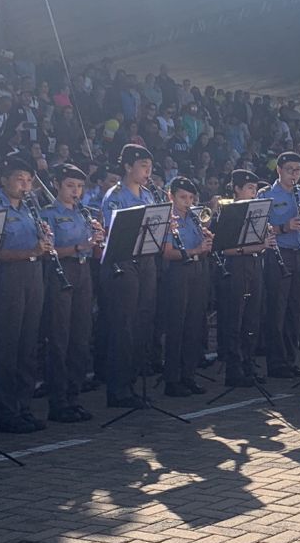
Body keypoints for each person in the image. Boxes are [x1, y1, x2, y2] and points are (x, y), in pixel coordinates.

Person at [0, 156, 53, 433]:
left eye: (28, 181)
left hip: (33, 275)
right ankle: (6, 410)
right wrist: (32, 252)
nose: (25, 186)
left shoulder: (30, 206)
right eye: (19, 180)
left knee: (28, 344)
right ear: (4, 181)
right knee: (7, 345)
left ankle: (23, 406)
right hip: (8, 276)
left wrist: (44, 245)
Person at [100, 144, 160, 409]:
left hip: (146, 261)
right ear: (127, 166)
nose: (148, 172)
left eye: (149, 167)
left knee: (142, 322)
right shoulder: (115, 196)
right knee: (123, 326)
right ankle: (118, 388)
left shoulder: (149, 195)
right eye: (143, 166)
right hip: (123, 263)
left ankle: (134, 381)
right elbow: (114, 232)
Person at [43, 164, 101, 421]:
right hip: (61, 271)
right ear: (57, 185)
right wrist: (79, 246)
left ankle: (74, 394)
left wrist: (98, 240)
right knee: (59, 337)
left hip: (83, 270)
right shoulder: (48, 214)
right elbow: (48, 249)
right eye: (70, 186)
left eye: (79, 187)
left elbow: (94, 249)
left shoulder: (84, 213)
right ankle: (58, 400)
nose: (76, 191)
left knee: (80, 334)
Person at [159, 176, 213, 396]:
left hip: (198, 270)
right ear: (170, 196)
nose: (187, 202)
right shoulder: (167, 220)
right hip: (178, 272)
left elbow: (203, 248)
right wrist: (195, 250)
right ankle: (172, 379)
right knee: (177, 326)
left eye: (191, 198)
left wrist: (207, 244)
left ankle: (188, 375)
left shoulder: (194, 218)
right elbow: (168, 252)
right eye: (182, 197)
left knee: (194, 324)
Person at [260, 152, 300, 378]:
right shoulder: (267, 195)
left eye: (298, 170)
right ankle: (277, 362)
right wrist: (284, 227)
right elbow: (258, 228)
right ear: (279, 170)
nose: (294, 174)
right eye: (290, 169)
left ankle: (291, 359)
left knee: (295, 310)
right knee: (277, 309)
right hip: (278, 254)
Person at [217, 170, 269, 387]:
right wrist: (254, 247)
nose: (253, 192)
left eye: (255, 189)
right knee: (235, 318)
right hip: (237, 266)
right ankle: (234, 367)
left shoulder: (258, 211)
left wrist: (261, 245)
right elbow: (223, 249)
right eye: (249, 188)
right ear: (237, 189)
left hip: (254, 264)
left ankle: (248, 362)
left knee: (252, 317)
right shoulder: (229, 212)